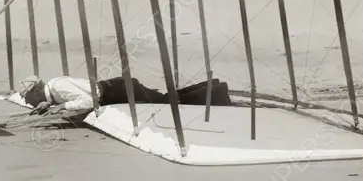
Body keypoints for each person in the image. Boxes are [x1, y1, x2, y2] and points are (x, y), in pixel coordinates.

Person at [18, 74, 229, 118]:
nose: (28, 102)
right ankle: (214, 87)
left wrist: (62, 107)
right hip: (116, 87)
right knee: (165, 98)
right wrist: (51, 104)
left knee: (166, 101)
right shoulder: (54, 89)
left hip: (117, 90)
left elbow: (89, 100)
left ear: (37, 91)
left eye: (28, 98)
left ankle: (216, 91)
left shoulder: (59, 87)